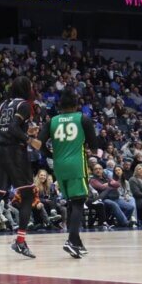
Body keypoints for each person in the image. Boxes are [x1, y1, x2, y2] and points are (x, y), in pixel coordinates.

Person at [0, 76, 42, 261]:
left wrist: (24, 131)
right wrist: (30, 140)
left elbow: (5, 128)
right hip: (14, 153)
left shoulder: (4, 104)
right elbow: (13, 127)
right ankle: (20, 241)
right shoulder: (25, 105)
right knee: (28, 195)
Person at [38, 87, 97, 258]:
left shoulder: (52, 121)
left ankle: (77, 242)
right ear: (76, 104)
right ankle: (71, 240)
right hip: (76, 165)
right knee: (79, 202)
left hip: (58, 166)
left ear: (60, 105)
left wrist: (50, 154)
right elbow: (94, 146)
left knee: (72, 202)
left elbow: (39, 144)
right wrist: (89, 149)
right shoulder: (82, 119)